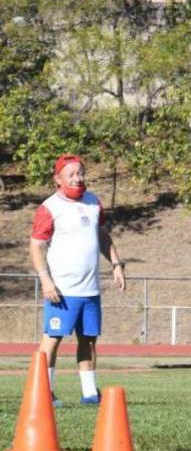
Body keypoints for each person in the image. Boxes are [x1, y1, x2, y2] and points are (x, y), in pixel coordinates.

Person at [29, 155, 126, 406]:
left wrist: (116, 264)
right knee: (52, 340)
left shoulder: (93, 202)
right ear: (57, 179)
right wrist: (46, 280)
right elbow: (36, 246)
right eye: (71, 174)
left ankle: (90, 393)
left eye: (80, 173)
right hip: (62, 290)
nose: (77, 178)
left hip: (90, 290)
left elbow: (102, 236)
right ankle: (44, 392)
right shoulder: (50, 207)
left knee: (89, 340)